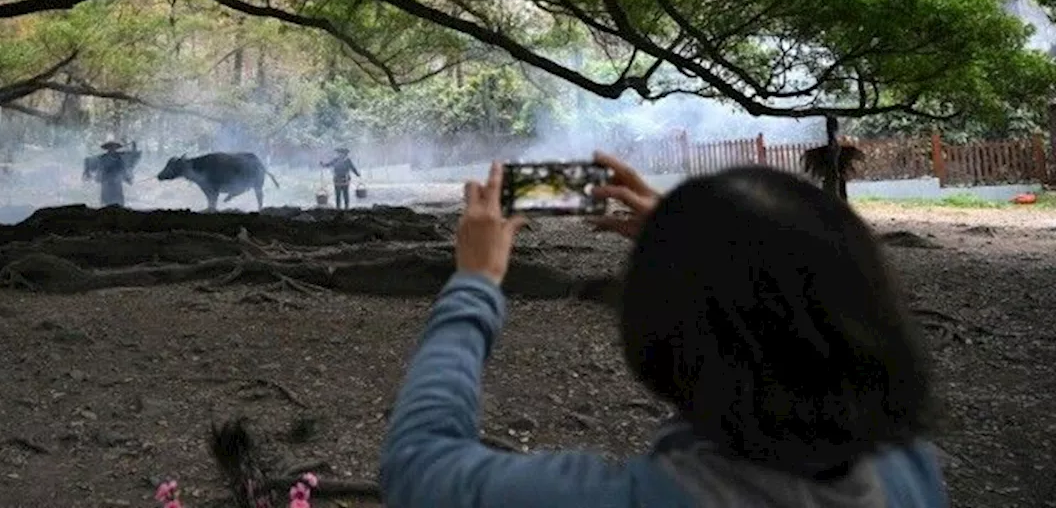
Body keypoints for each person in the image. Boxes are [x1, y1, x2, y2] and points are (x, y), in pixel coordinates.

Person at [380, 153, 948, 508]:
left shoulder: (651, 498)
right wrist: (702, 245)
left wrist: (475, 283)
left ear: (660, 341)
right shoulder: (904, 462)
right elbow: (779, 324)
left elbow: (417, 461)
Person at [89, 140, 134, 207]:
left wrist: (127, 178)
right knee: (106, 206)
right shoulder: (103, 158)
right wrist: (98, 178)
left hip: (117, 185)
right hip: (106, 185)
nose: (112, 148)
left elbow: (123, 169)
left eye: (114, 147)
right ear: (107, 148)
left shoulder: (119, 158)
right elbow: (100, 170)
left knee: (119, 205)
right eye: (110, 147)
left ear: (116, 148)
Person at [320, 146, 360, 210]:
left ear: (345, 154)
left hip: (345, 179)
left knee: (345, 194)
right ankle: (338, 207)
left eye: (342, 153)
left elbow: (352, 168)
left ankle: (346, 207)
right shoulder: (335, 160)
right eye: (339, 153)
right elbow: (329, 164)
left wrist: (357, 174)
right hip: (337, 179)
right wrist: (323, 165)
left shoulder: (348, 160)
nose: (340, 154)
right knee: (338, 194)